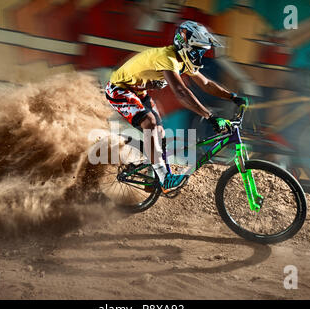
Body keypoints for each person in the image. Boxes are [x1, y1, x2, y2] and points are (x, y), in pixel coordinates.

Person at [105, 20, 247, 191]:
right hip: (119, 89)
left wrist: (232, 97)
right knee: (149, 123)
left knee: (160, 132)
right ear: (186, 47)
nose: (199, 57)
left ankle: (153, 174)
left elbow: (206, 83)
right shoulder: (169, 58)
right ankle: (164, 178)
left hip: (138, 92)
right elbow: (181, 92)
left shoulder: (182, 59)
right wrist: (209, 116)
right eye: (198, 52)